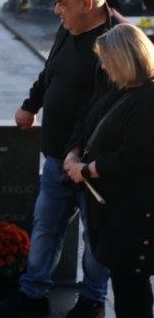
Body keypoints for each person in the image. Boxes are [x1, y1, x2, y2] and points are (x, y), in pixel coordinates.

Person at [0, 0, 124, 318]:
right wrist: (30, 104)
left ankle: (92, 301)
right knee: (46, 226)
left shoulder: (117, 40)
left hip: (93, 164)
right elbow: (51, 69)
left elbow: (104, 106)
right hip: (56, 155)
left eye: (62, 3)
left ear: (87, 3)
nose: (56, 11)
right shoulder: (70, 27)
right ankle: (33, 294)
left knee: (95, 236)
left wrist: (77, 150)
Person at [64, 24, 154, 318]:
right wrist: (74, 152)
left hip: (135, 214)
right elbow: (90, 122)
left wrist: (87, 169)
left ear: (125, 59)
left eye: (107, 60)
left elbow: (137, 155)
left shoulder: (148, 98)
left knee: (132, 290)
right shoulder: (122, 90)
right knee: (125, 284)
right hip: (118, 212)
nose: (103, 67)